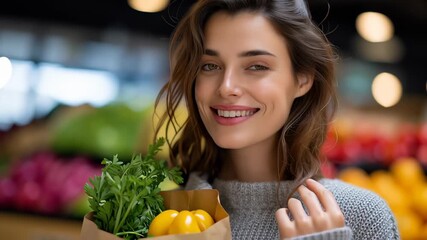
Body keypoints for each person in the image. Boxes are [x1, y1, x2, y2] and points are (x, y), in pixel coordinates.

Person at [153, 0, 400, 239]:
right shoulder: (155, 213)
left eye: (257, 66)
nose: (226, 87)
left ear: (302, 78)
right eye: (209, 66)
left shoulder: (361, 216)